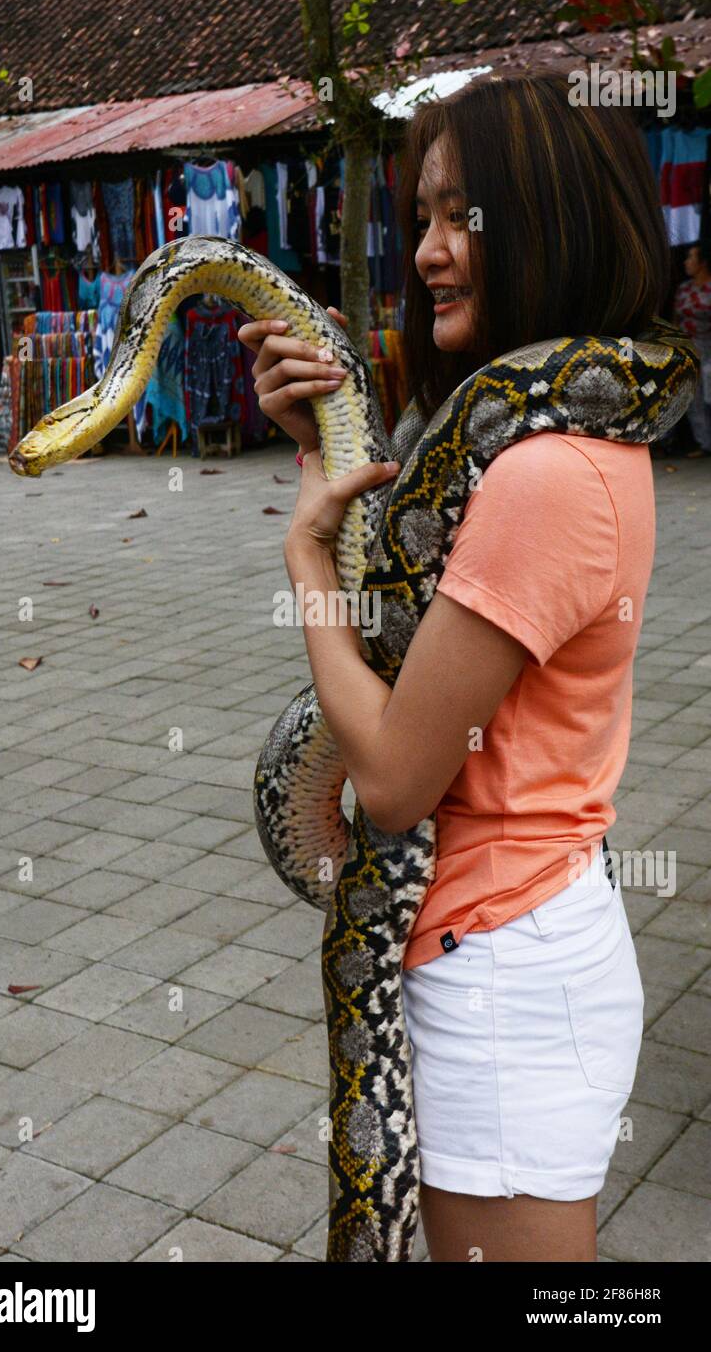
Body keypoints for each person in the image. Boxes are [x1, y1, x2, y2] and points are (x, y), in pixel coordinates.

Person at [237, 73, 663, 1263]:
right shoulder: (545, 436)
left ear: (548, 220)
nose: (427, 250)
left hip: (503, 981)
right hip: (518, 935)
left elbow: (389, 781)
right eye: (418, 215)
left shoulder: (537, 473)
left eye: (459, 216)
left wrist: (306, 551)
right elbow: (420, 616)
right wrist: (324, 444)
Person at [673, 238, 711, 458]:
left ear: (703, 263)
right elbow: (675, 319)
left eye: (691, 258)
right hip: (688, 347)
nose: (686, 262)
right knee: (692, 395)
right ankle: (703, 442)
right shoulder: (684, 289)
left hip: (707, 346)